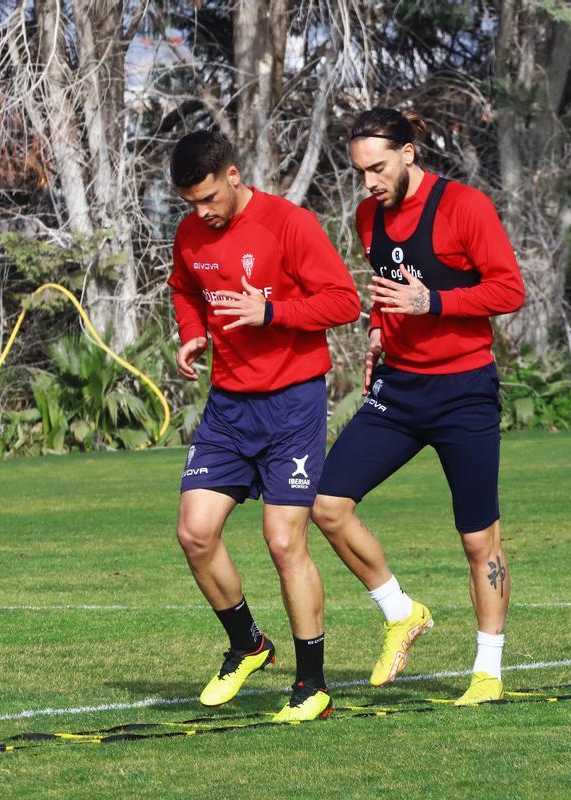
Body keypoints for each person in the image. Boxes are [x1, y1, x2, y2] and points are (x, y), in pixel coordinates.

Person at [311, 108, 526, 705]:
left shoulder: (465, 207)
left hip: (464, 392)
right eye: (360, 172)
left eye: (378, 168)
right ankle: (401, 612)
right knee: (327, 505)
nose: (369, 182)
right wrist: (379, 331)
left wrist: (434, 302)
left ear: (409, 153)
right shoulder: (368, 215)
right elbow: (388, 291)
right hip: (399, 390)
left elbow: (509, 289)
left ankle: (487, 672)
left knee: (478, 540)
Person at [167, 130, 360, 722]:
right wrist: (192, 333)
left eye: (208, 199)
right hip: (229, 406)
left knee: (283, 541)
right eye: (190, 203)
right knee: (195, 532)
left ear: (233, 175)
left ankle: (312, 685)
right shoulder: (190, 233)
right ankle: (248, 644)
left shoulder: (289, 224)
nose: (202, 213)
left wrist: (270, 312)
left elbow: (344, 301)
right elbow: (184, 288)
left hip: (292, 404)